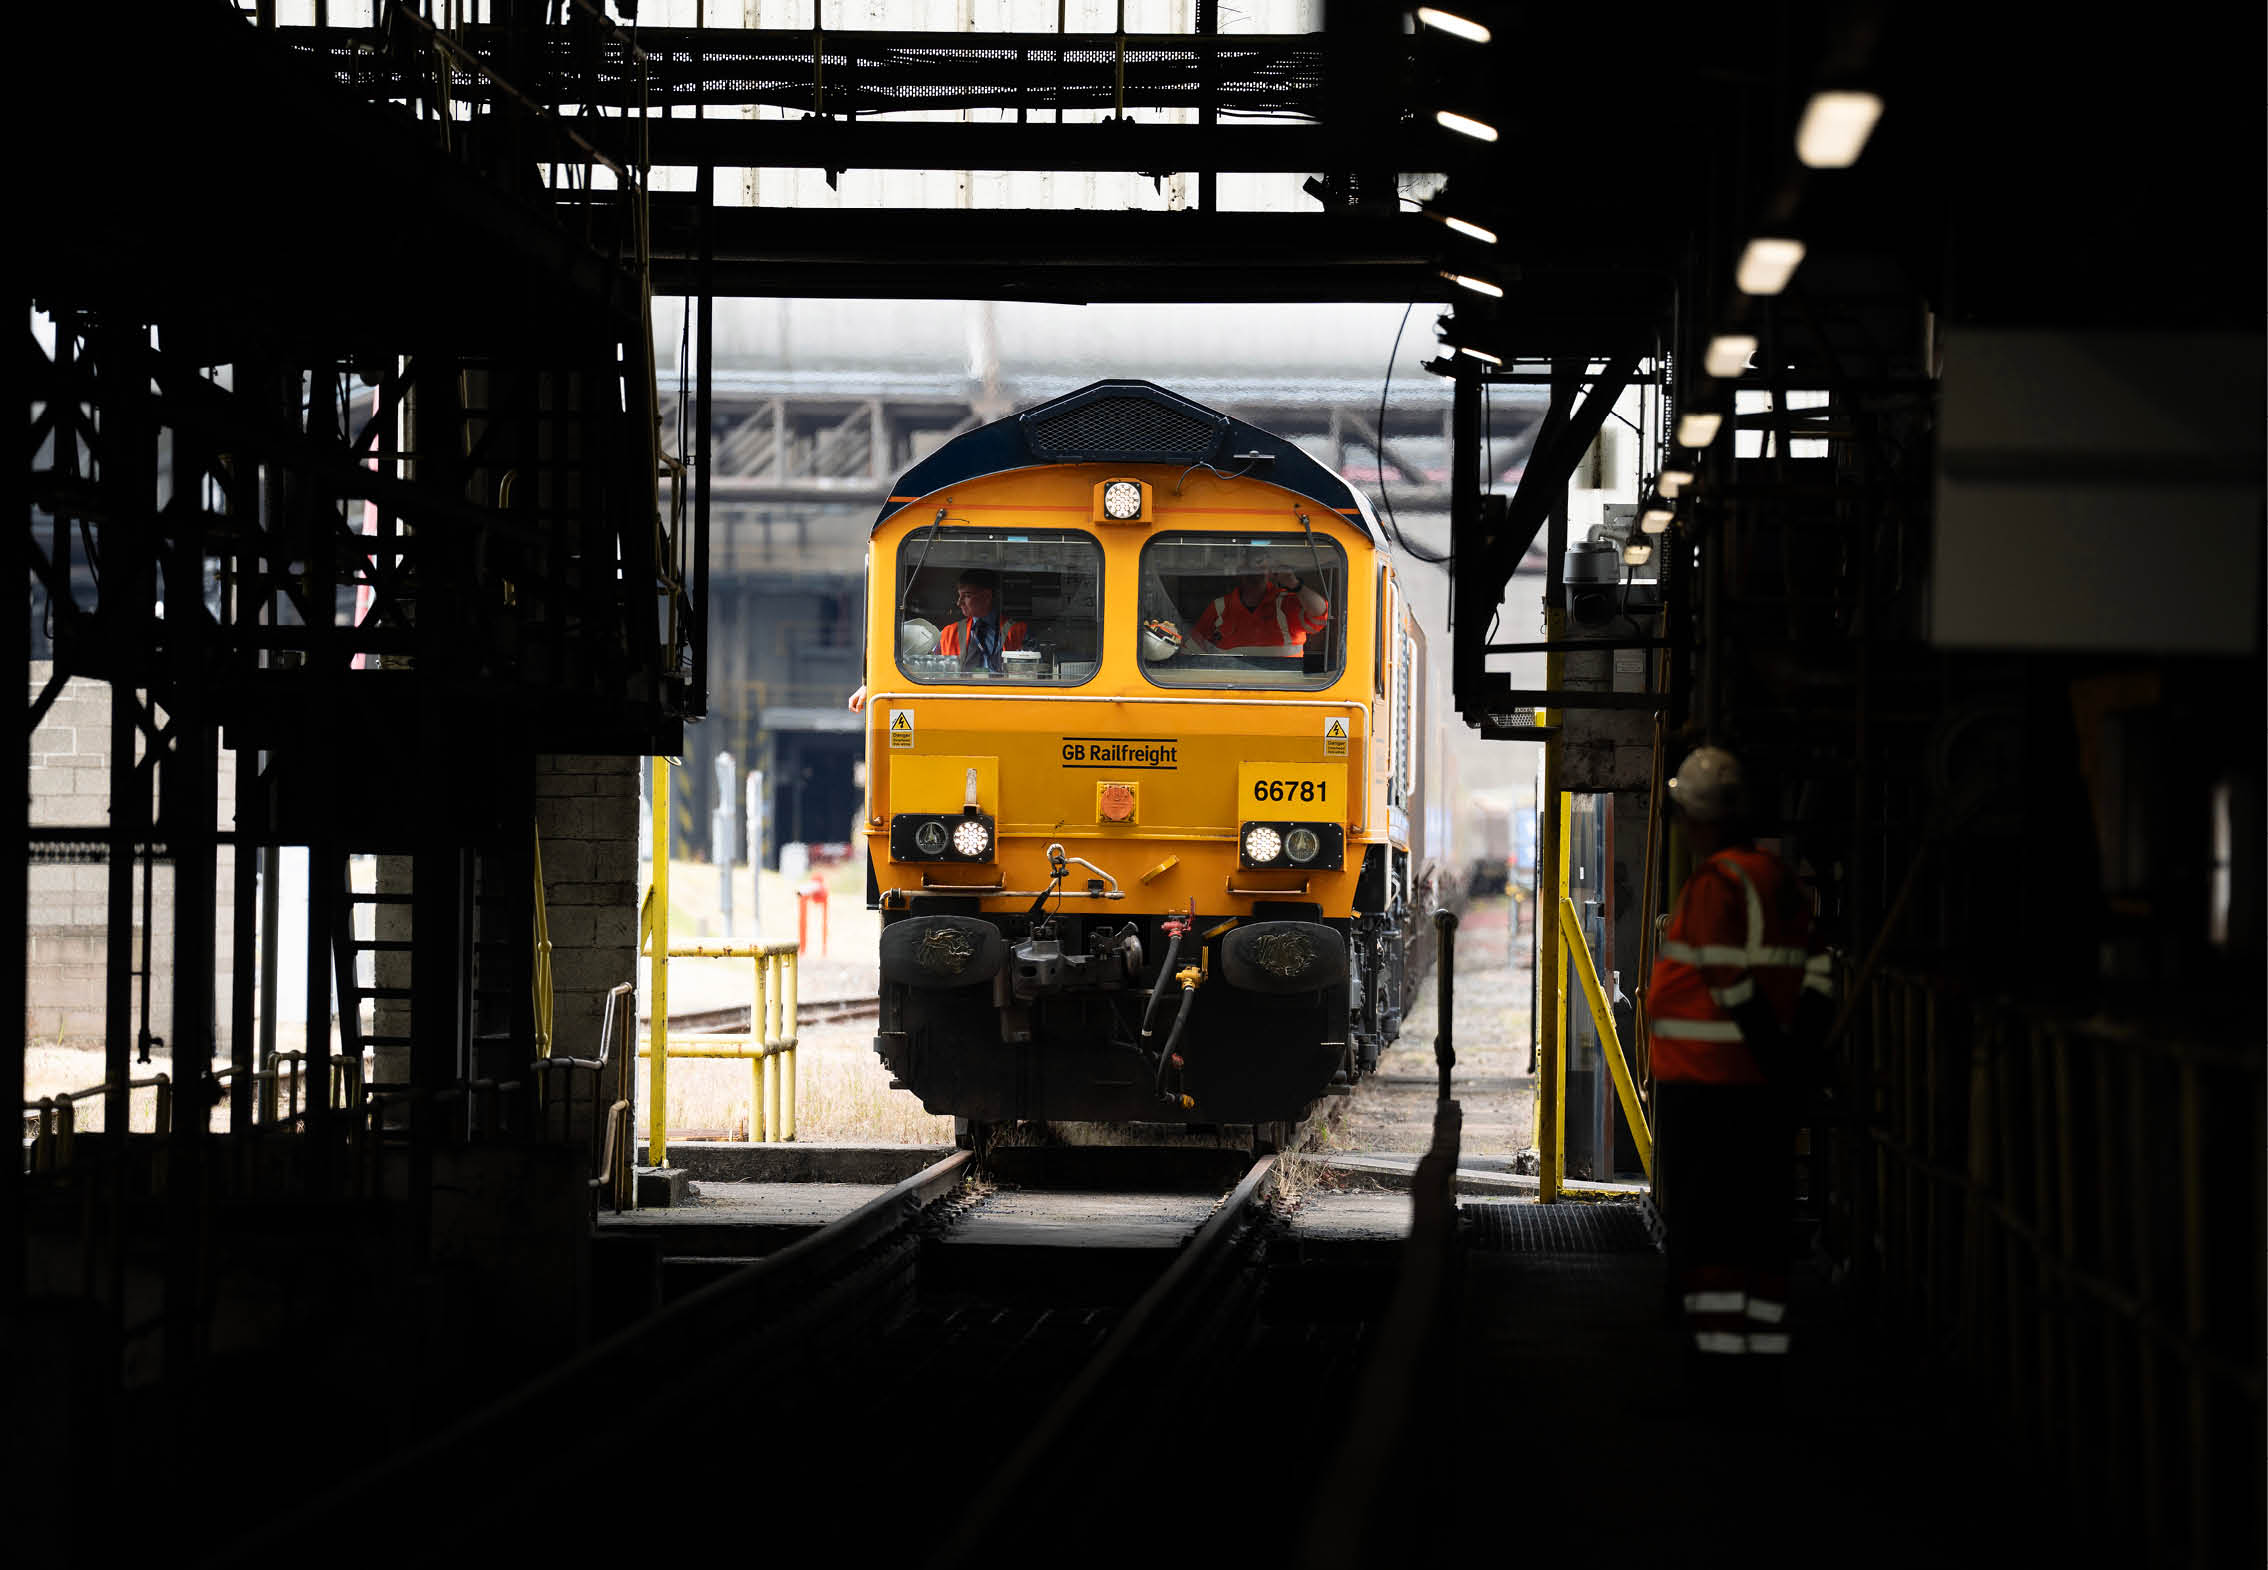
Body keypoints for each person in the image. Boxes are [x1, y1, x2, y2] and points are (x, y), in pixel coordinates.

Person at [1646, 745, 1834, 1372]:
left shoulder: (1714, 885)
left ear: (1701, 821)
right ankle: (1761, 1349)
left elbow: (1732, 987)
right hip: (1760, 1084)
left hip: (1705, 1085)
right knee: (1760, 1219)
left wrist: (1774, 1062)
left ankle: (1719, 1361)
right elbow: (1817, 977)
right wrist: (1795, 1064)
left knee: (1710, 1224)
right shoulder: (1781, 883)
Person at [1189, 563, 1329, 654]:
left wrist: (1294, 584)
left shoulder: (1285, 602)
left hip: (1285, 690)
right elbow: (1191, 650)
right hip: (1230, 690)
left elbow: (1320, 614)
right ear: (1239, 574)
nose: (1254, 572)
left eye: (1260, 568)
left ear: (1270, 573)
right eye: (1248, 568)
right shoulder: (1219, 606)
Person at [935, 568, 1026, 671]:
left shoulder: (1019, 632)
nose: (959, 603)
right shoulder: (947, 634)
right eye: (959, 595)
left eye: (967, 596)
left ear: (987, 596)